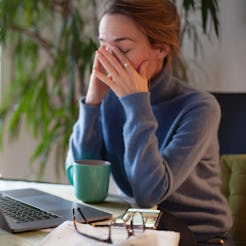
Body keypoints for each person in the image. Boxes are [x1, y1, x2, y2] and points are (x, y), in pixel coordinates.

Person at [66, 0, 233, 245]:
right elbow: (80, 178)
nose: (107, 59)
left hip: (200, 237)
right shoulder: (112, 99)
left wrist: (136, 104)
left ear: (161, 49)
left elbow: (149, 193)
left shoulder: (200, 108)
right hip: (143, 231)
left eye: (122, 49)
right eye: (102, 46)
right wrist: (93, 103)